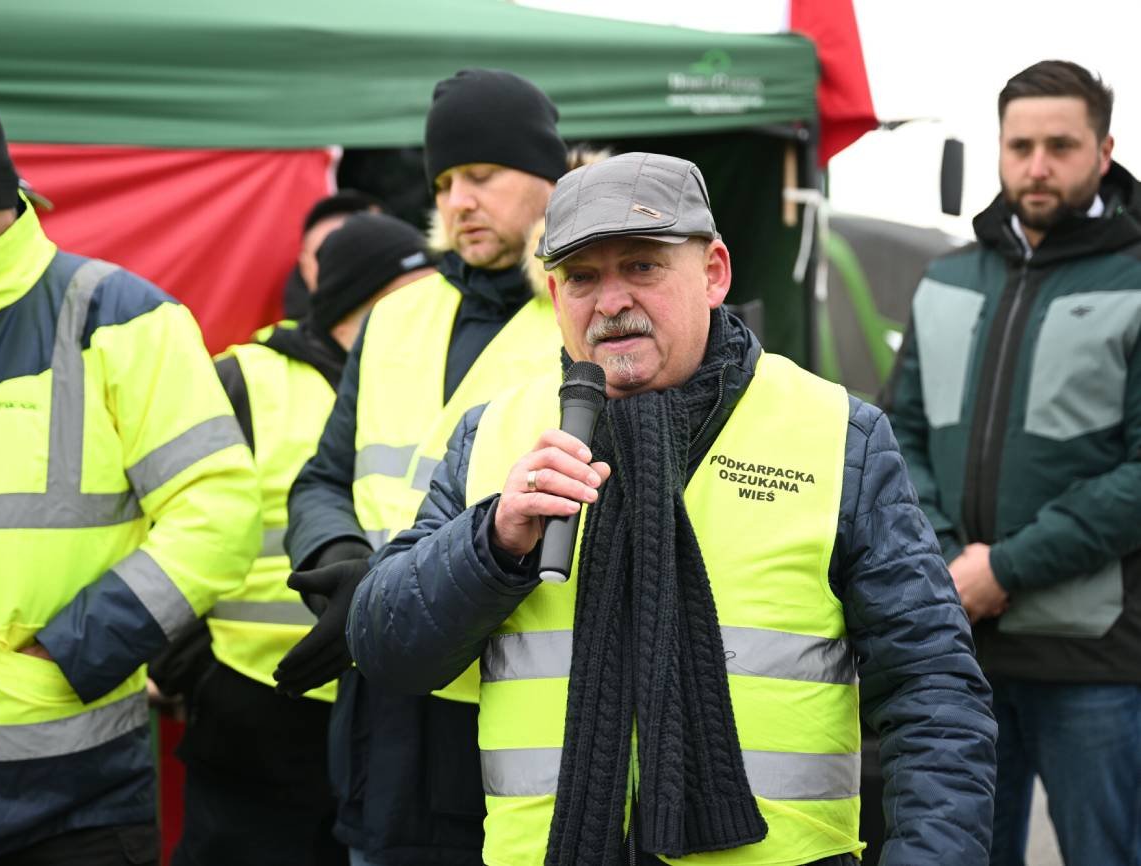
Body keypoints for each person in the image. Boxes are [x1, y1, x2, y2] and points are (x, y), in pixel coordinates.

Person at [348, 152, 998, 866]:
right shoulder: (493, 436)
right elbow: (384, 647)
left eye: (643, 266)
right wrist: (492, 542)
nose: (611, 301)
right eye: (582, 278)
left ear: (714, 272)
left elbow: (933, 693)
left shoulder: (837, 432)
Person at [0, 88, 261, 865]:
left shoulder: (119, 316)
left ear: (6, 199)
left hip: (73, 799)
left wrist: (84, 642)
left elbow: (221, 509)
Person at [282, 68, 579, 866]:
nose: (458, 201)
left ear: (550, 180)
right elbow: (323, 476)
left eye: (481, 176)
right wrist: (341, 564)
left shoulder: (584, 317)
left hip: (508, 706)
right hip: (380, 693)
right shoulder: (397, 315)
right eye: (445, 182)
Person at [883, 60, 1141, 866]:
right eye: (1019, 144)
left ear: (1103, 150)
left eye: (1059, 145)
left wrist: (1005, 570)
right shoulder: (948, 279)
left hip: (1092, 657)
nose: (1037, 165)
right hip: (957, 651)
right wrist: (955, 561)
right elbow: (899, 438)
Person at [167, 213, 435, 866]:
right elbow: (169, 518)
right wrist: (185, 668)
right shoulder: (241, 380)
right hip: (253, 709)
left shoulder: (425, 386)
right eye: (413, 295)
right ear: (359, 304)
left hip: (386, 705)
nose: (433, 311)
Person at [283, 190, 386, 320]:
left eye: (353, 250)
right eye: (324, 253)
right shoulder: (278, 339)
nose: (342, 263)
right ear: (305, 268)